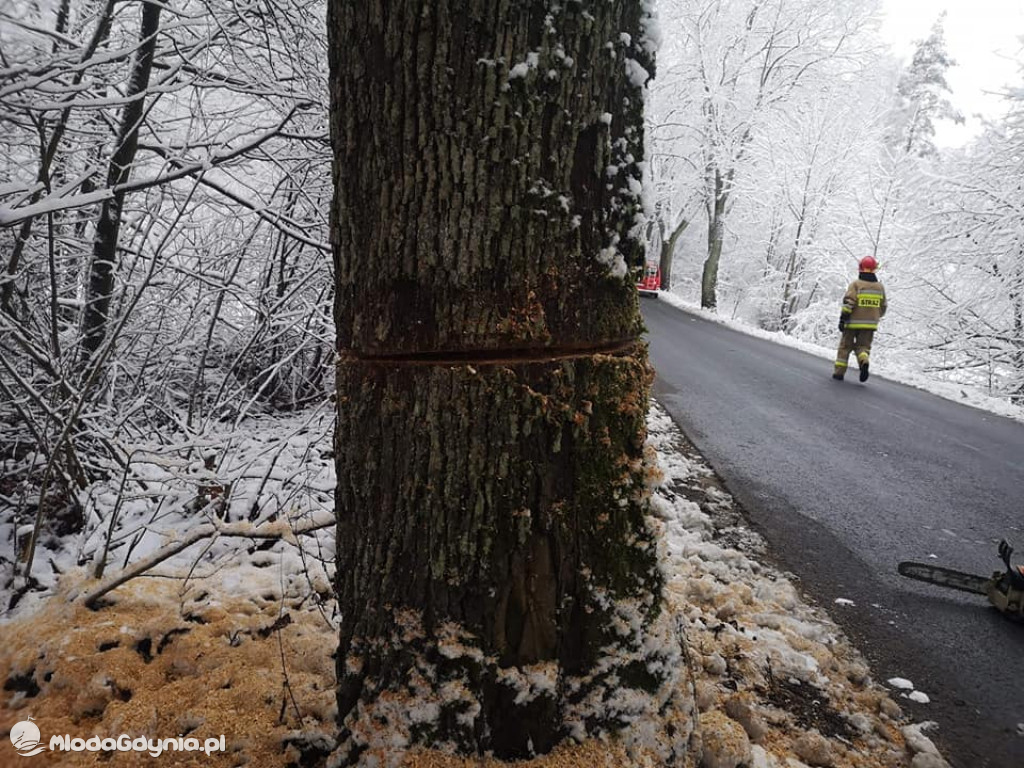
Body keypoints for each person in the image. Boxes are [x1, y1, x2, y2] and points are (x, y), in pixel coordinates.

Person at [833, 256, 886, 382]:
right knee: (863, 347)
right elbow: (883, 307)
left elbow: (848, 303)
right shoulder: (880, 287)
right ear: (874, 270)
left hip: (852, 323)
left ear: (860, 269)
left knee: (845, 347)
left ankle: (839, 373)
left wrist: (842, 319)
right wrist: (874, 317)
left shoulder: (856, 285)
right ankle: (864, 361)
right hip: (870, 325)